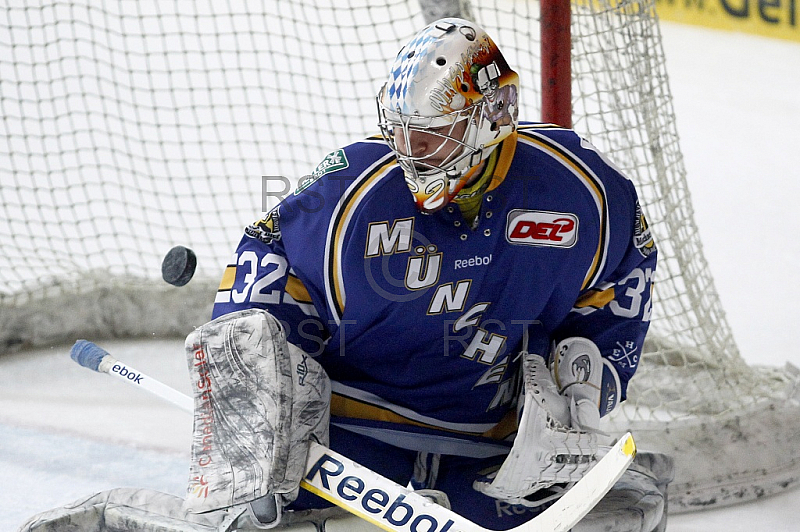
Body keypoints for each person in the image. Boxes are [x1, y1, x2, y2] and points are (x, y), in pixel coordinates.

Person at [196, 17, 657, 530]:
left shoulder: (583, 191)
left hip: (493, 445)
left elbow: (619, 287)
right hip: (346, 437)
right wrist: (254, 394)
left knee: (628, 516)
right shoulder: (352, 190)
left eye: (433, 135)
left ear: (491, 118)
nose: (410, 151)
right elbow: (268, 261)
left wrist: (587, 388)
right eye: (402, 131)